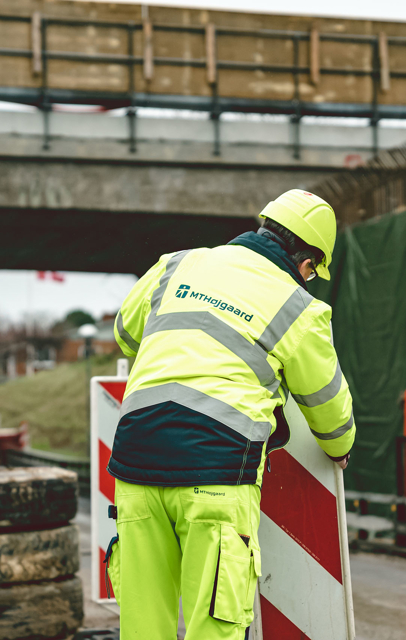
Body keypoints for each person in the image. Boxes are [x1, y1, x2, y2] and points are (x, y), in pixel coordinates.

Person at [104, 189, 356, 640]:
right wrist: (340, 449)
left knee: (143, 627)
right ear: (306, 265)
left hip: (135, 466)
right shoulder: (300, 308)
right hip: (216, 476)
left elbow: (126, 333)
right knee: (214, 626)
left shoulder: (175, 264)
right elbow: (329, 411)